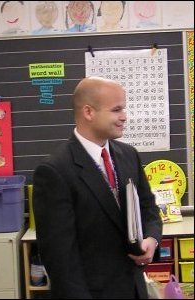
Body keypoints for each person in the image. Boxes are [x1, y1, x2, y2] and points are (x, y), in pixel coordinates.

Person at [33, 77, 162, 299]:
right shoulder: (55, 171)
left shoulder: (128, 155)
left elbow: (148, 208)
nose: (124, 117)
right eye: (116, 110)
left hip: (134, 289)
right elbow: (60, 260)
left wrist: (152, 239)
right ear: (89, 112)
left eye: (124, 109)